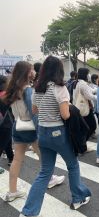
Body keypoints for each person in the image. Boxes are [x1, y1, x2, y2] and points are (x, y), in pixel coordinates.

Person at [20, 56, 91, 216]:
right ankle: (78, 198)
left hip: (43, 134)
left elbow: (35, 111)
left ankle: (29, 211)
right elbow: (65, 115)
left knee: (45, 172)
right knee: (72, 165)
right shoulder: (59, 88)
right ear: (59, 70)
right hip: (58, 133)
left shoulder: (37, 89)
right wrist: (69, 106)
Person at [3, 61, 64, 203]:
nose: (35, 72)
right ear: (27, 72)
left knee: (17, 159)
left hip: (17, 126)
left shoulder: (11, 89)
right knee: (43, 156)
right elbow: (34, 113)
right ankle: (49, 179)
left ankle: (12, 191)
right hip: (30, 128)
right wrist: (41, 130)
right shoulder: (27, 90)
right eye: (32, 70)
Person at [73, 68, 97, 141]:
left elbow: (91, 91)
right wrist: (98, 97)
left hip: (79, 107)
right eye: (88, 73)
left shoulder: (77, 82)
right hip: (85, 109)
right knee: (92, 126)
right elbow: (89, 96)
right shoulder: (83, 84)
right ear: (85, 74)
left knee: (85, 127)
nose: (89, 75)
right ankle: (82, 143)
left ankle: (82, 143)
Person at [0, 75, 14, 167]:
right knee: (2, 144)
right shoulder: (5, 95)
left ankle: (11, 158)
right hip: (5, 123)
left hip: (3, 123)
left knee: (7, 141)